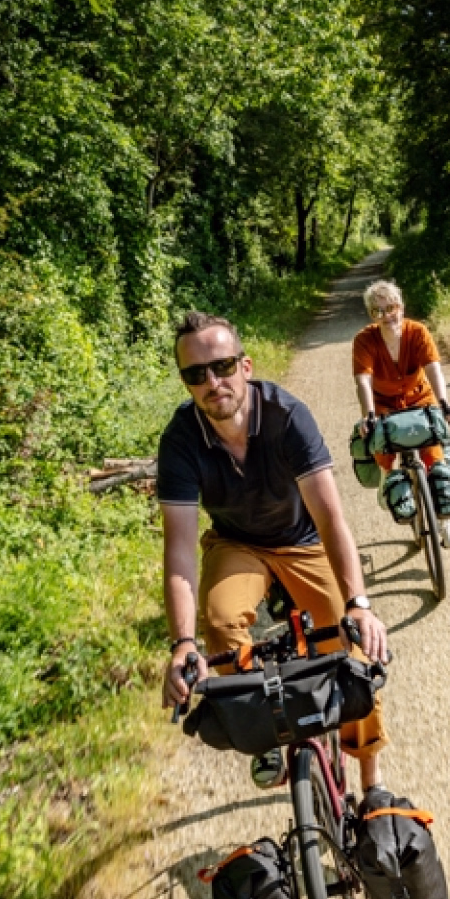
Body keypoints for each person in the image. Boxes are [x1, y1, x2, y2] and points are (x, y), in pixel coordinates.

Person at [158, 312, 391, 790]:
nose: (212, 382)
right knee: (221, 620)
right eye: (195, 374)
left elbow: (330, 520)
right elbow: (179, 551)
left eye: (221, 366)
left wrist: (359, 604)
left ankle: (371, 777)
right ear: (186, 383)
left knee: (350, 648)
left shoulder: (287, 416)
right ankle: (259, 728)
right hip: (236, 542)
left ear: (245, 366)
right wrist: (183, 643)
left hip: (302, 540)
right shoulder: (180, 440)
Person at [351, 279, 450, 548]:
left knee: (435, 455)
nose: (386, 315)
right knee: (382, 445)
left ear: (400, 306)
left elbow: (434, 369)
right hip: (382, 403)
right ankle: (387, 478)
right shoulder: (364, 340)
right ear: (371, 315)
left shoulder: (418, 332)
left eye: (390, 307)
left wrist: (444, 403)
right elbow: (363, 381)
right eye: (378, 311)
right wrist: (368, 415)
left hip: (420, 398)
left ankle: (446, 524)